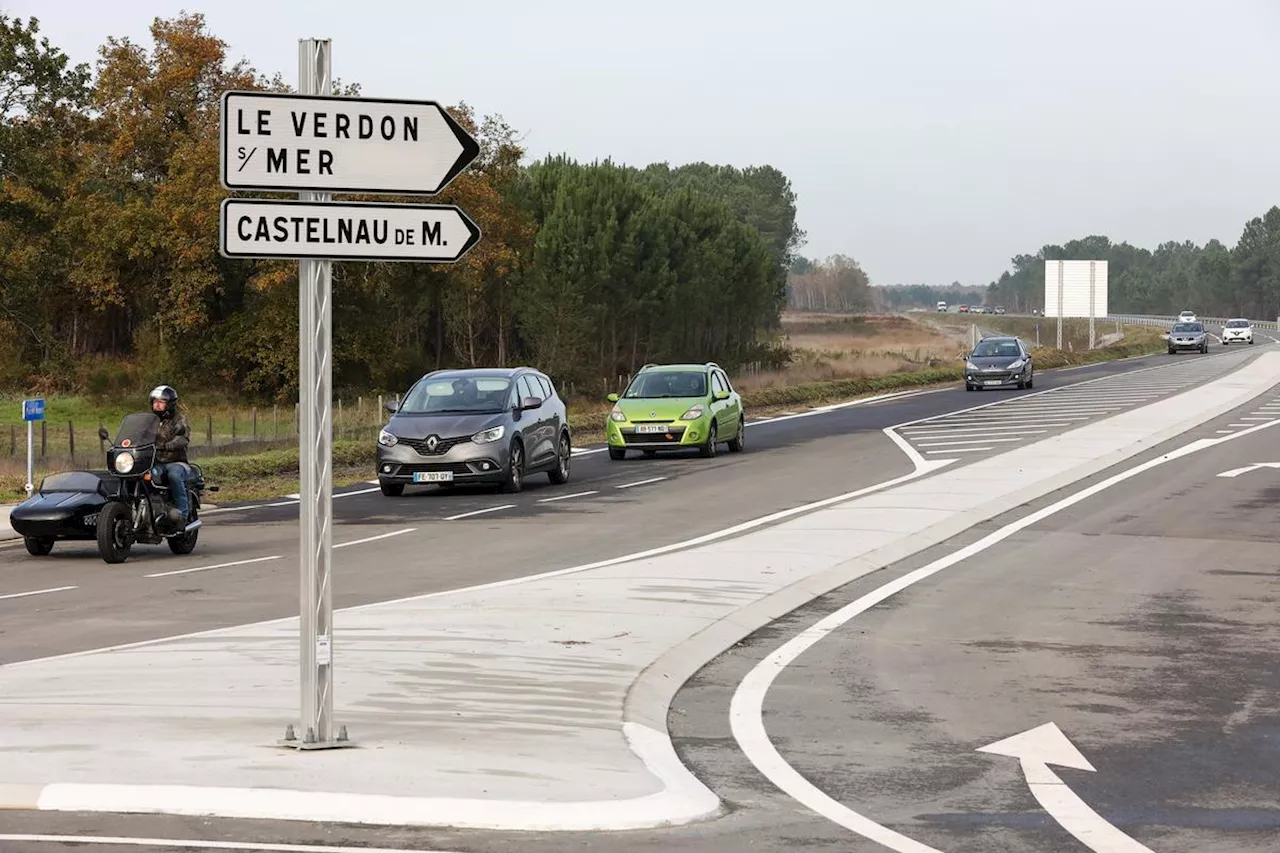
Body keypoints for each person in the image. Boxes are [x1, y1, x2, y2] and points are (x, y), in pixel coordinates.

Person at [149, 385, 191, 527]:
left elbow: (182, 438)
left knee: (173, 475)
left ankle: (182, 515)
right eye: (155, 401)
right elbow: (138, 434)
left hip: (177, 462)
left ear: (170, 404)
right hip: (156, 462)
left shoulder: (179, 419)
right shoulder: (149, 421)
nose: (157, 405)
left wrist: (167, 445)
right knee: (146, 476)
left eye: (161, 402)